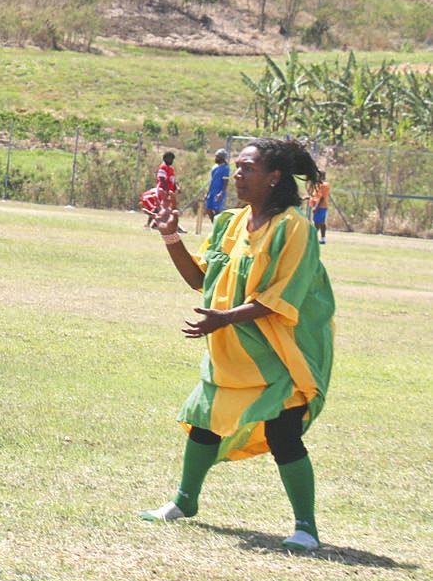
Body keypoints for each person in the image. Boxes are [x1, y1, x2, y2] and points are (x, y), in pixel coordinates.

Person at [142, 140, 334, 553]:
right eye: (238, 168)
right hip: (230, 348)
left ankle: (306, 528)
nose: (237, 175)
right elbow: (200, 280)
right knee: (204, 420)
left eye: (248, 168)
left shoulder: (293, 227)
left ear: (274, 177)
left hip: (279, 352)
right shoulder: (230, 222)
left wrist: (224, 318)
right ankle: (183, 502)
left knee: (283, 432)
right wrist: (171, 235)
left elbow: (285, 296)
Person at [197, 148, 229, 231]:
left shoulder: (226, 168)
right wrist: (207, 193)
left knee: (217, 210)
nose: (215, 158)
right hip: (212, 191)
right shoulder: (214, 167)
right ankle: (215, 226)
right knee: (208, 209)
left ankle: (220, 228)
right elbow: (211, 181)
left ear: (221, 158)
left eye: (217, 157)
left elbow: (226, 182)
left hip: (219, 192)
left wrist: (221, 193)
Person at [310, 170, 331, 245]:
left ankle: (313, 238)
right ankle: (322, 239)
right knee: (321, 222)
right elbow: (317, 195)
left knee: (317, 223)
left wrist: (316, 207)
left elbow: (322, 197)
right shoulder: (318, 184)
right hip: (320, 206)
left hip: (320, 206)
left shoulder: (323, 185)